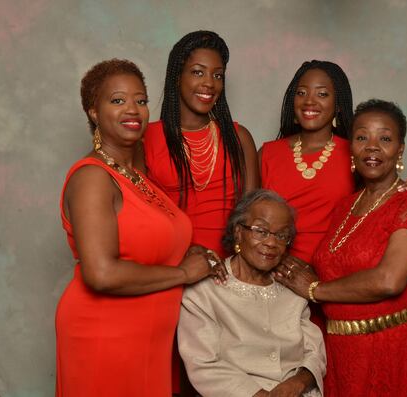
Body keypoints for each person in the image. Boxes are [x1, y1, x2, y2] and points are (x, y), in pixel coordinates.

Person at [55, 59, 224, 397]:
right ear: (93, 111)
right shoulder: (93, 178)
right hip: (104, 336)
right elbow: (101, 273)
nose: (133, 109)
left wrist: (185, 249)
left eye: (141, 100)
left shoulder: (138, 174)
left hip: (148, 340)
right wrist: (183, 273)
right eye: (117, 100)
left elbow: (147, 242)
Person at [275, 99, 407, 396]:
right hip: (343, 353)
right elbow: (339, 268)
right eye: (362, 137)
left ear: (400, 149)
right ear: (350, 146)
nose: (372, 146)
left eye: (385, 138)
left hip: (394, 349)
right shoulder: (344, 206)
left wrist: (314, 289)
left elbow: (389, 281)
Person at [260, 61, 407, 264]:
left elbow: (382, 196)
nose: (309, 102)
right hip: (273, 269)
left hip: (331, 273)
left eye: (322, 94)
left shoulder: (357, 152)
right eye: (301, 93)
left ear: (338, 104)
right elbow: (249, 219)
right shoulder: (268, 153)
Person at [178, 190, 326, 397]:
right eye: (261, 231)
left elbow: (314, 352)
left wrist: (297, 383)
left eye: (282, 235)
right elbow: (203, 363)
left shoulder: (292, 286)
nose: (271, 243)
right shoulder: (204, 290)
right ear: (239, 232)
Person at [142, 30, 259, 258]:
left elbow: (252, 219)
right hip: (172, 265)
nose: (209, 83)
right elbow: (141, 221)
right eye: (198, 72)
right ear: (177, 76)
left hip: (230, 271)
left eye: (218, 76)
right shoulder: (147, 139)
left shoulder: (239, 137)